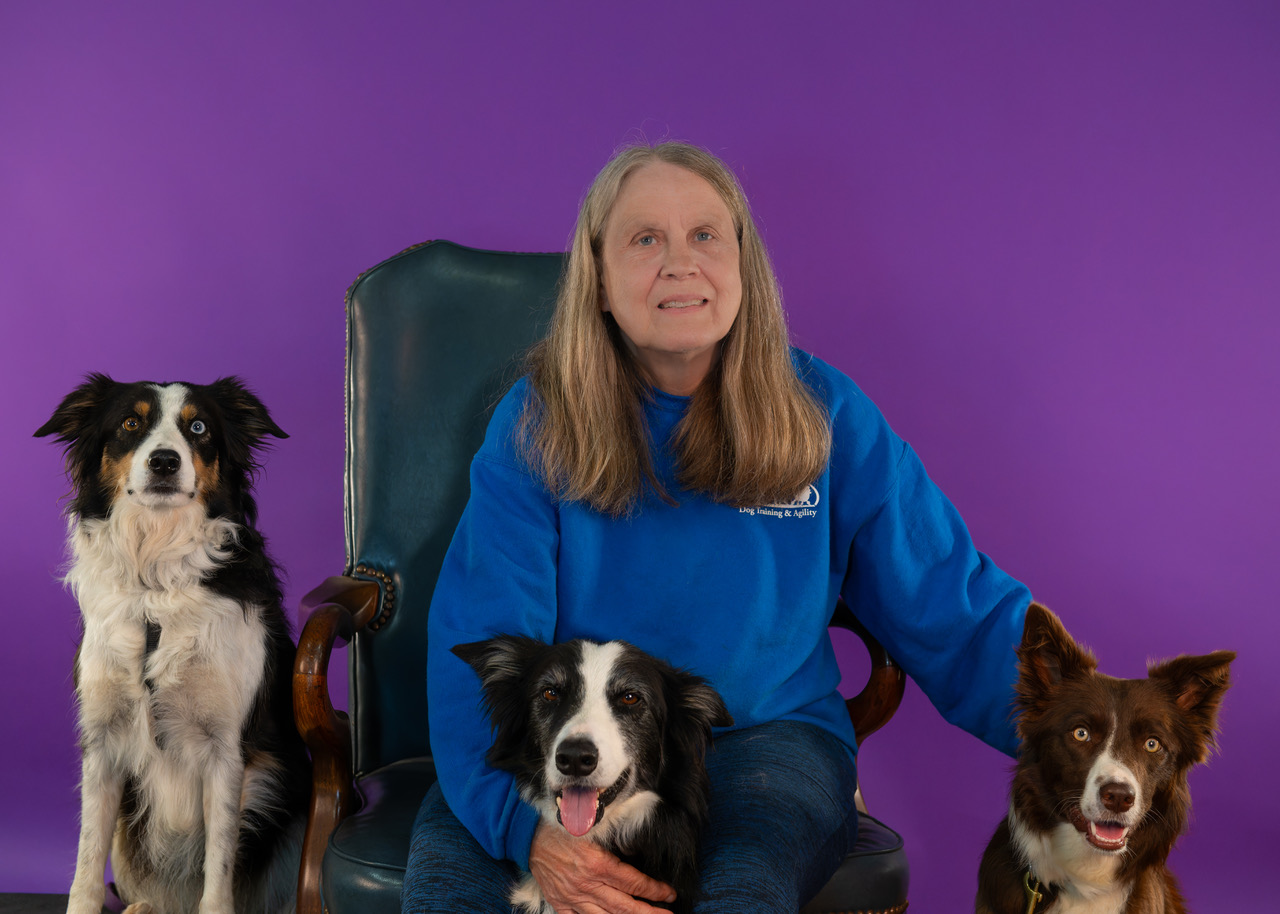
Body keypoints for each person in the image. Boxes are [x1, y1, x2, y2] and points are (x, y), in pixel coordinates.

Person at [402, 141, 1031, 913]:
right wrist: (518, 826)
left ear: (744, 267)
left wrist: (1090, 735)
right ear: (597, 279)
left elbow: (954, 606)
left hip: (768, 742)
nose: (680, 263)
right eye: (644, 239)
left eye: (706, 235)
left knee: (739, 893)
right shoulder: (536, 424)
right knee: (448, 893)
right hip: (571, 738)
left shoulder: (824, 413)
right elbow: (482, 635)